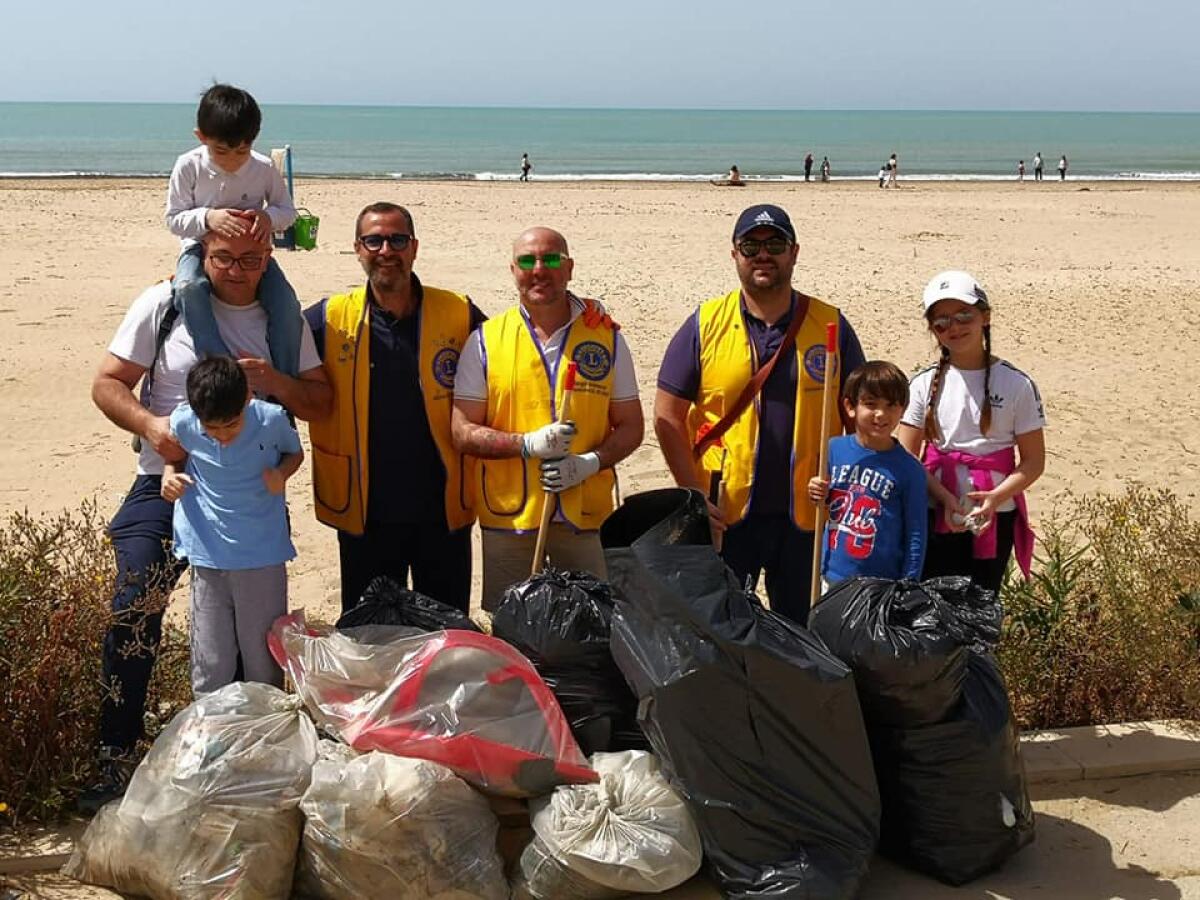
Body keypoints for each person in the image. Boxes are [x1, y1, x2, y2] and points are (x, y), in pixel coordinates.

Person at [85, 230, 331, 812]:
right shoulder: (164, 303)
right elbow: (106, 384)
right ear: (203, 255)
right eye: (223, 257)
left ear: (268, 258)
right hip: (163, 481)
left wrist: (274, 381)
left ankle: (246, 758)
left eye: (251, 258)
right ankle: (116, 751)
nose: (237, 269)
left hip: (243, 494)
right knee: (134, 603)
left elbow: (320, 403)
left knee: (247, 634)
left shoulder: (281, 318)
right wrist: (153, 429)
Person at [654, 204, 866, 625]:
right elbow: (667, 414)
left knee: (803, 630)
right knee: (725, 629)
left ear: (794, 252)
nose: (763, 255)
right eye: (751, 246)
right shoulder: (704, 324)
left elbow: (859, 413)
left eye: (775, 245)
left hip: (807, 513)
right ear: (735, 254)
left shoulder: (830, 325)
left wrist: (848, 488)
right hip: (726, 513)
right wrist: (692, 495)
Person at [304, 202, 486, 614]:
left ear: (414, 248)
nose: (386, 250)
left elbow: (514, 350)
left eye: (397, 240)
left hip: (443, 509)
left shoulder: (458, 312)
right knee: (370, 637)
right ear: (358, 249)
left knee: (446, 635)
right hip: (363, 512)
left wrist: (578, 310)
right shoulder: (329, 318)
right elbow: (265, 342)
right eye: (374, 241)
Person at [451, 227, 644, 610]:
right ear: (513, 270)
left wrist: (590, 463)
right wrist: (525, 445)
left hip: (586, 517)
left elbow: (631, 426)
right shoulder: (486, 340)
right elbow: (461, 431)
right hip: (510, 520)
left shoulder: (606, 337)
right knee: (511, 627)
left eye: (552, 259)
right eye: (527, 261)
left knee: (594, 625)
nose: (539, 269)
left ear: (569, 268)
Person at [896, 270, 1046, 598]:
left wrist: (995, 498)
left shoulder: (1017, 384)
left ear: (985, 317)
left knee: (981, 606)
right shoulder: (922, 384)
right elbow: (906, 457)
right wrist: (944, 498)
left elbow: (1034, 461)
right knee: (929, 606)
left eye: (964, 315)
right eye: (941, 322)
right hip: (933, 512)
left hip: (995, 517)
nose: (954, 327)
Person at [161, 356, 302, 695]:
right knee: (210, 660)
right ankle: (211, 723)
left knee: (262, 660)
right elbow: (173, 454)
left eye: (232, 424)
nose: (223, 436)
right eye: (212, 429)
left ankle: (263, 723)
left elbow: (295, 453)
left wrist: (280, 474)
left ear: (247, 398)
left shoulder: (271, 419)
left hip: (261, 555)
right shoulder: (183, 422)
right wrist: (169, 476)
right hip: (207, 554)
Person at [166, 84, 305, 378]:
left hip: (253, 253)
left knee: (287, 305)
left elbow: (287, 212)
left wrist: (267, 217)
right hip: (199, 248)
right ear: (201, 137)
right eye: (221, 151)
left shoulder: (263, 168)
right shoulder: (188, 165)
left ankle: (285, 376)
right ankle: (218, 363)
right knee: (188, 288)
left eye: (242, 150)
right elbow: (174, 219)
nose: (232, 160)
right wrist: (208, 218)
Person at [806, 361, 928, 590]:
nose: (881, 414)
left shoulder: (910, 470)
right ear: (850, 406)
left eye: (891, 405)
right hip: (831, 576)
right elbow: (822, 502)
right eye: (871, 404)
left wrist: (908, 585)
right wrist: (816, 491)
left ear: (903, 409)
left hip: (880, 585)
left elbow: (916, 535)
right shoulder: (832, 449)